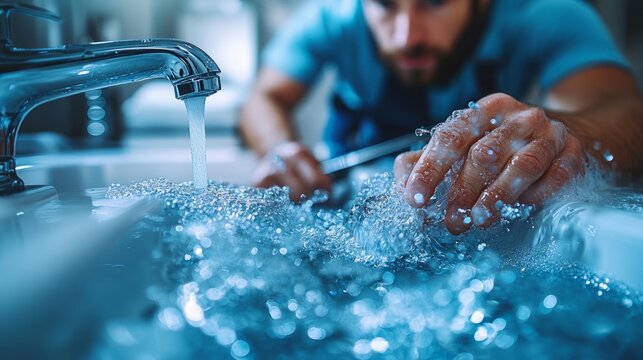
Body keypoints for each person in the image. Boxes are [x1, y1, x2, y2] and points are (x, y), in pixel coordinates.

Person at [239, 0, 643, 234]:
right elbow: (265, 98)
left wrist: (564, 136)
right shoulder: (332, 15)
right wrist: (280, 149)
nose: (406, 37)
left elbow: (625, 113)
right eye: (384, 4)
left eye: (434, 1)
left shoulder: (545, 15)